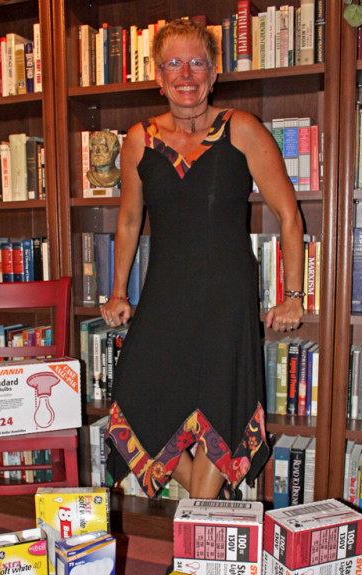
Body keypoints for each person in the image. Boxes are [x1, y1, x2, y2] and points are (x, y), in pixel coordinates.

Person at [100, 18, 304, 500]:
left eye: (197, 63)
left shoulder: (242, 129)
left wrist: (293, 296)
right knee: (135, 405)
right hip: (164, 297)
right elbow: (129, 223)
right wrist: (117, 291)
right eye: (174, 63)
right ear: (158, 75)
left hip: (226, 297)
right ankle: (212, 516)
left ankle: (195, 542)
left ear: (214, 75)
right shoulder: (139, 140)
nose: (185, 74)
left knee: (219, 407)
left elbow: (289, 216)